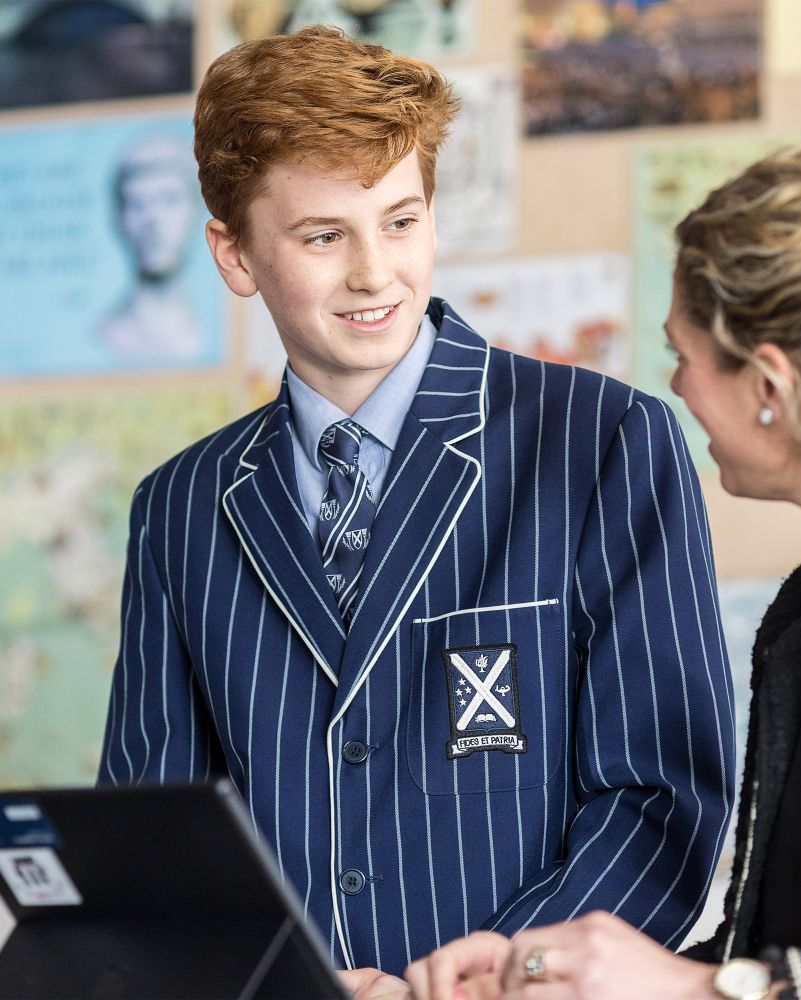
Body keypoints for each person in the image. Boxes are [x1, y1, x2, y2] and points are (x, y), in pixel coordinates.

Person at [97, 25, 734, 982]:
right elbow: (158, 842)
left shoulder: (604, 441)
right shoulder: (180, 508)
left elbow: (660, 801)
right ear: (234, 255)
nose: (374, 272)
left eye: (402, 221)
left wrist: (486, 981)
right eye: (323, 236)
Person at [405, 139, 801, 999]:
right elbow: (774, 949)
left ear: (770, 383)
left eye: (683, 353)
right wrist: (550, 975)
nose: (674, 386)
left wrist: (695, 990)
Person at [97, 133, 204, 359]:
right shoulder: (111, 332)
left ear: (195, 209)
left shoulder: (204, 331)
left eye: (169, 199)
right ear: (119, 219)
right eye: (137, 204)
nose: (153, 220)